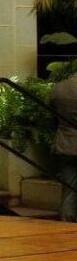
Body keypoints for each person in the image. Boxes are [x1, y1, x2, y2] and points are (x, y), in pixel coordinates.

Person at [51, 75, 77, 222]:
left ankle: (66, 223)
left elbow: (52, 115)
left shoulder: (59, 88)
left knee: (69, 190)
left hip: (65, 142)